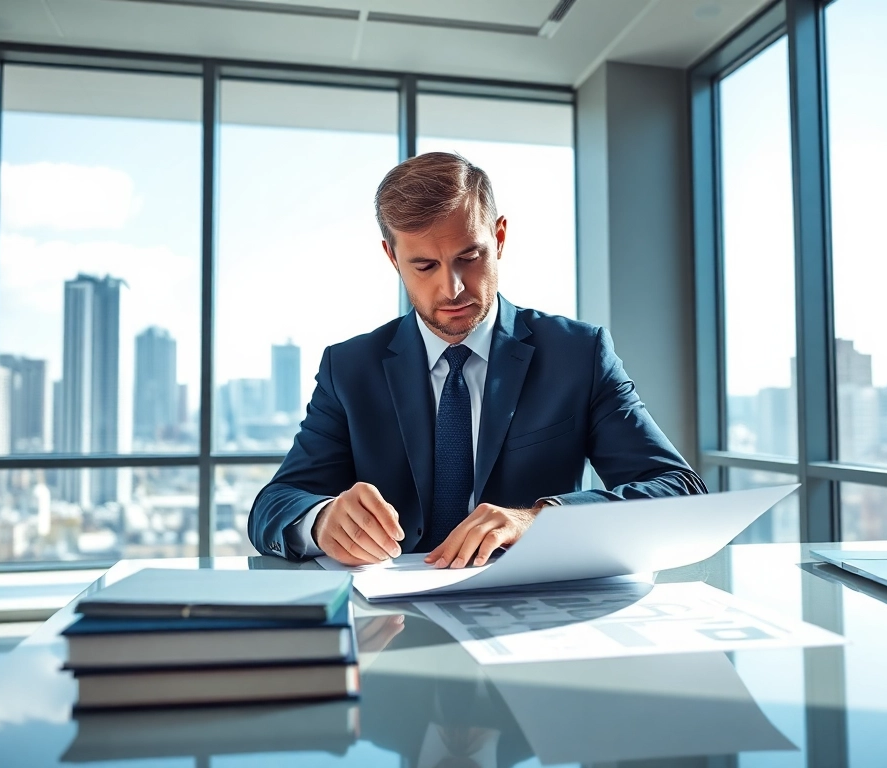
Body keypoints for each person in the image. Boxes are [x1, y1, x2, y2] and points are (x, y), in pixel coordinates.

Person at [248, 152, 706, 568]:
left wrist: (539, 520)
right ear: (393, 258)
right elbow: (275, 504)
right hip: (390, 618)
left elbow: (678, 489)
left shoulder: (578, 355)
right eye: (424, 266)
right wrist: (321, 520)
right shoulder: (349, 369)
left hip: (536, 613)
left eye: (469, 257)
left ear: (500, 237)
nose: (452, 289)